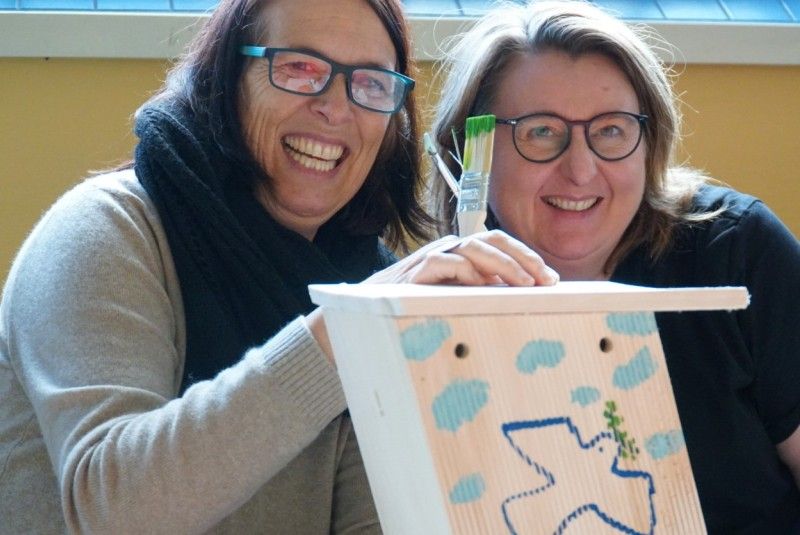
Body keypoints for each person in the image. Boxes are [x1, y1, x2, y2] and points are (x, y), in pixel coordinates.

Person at [0, 0, 558, 532]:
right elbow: (115, 510)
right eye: (299, 68)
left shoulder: (362, 273)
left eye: (371, 84)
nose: (335, 108)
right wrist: (348, 324)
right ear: (227, 80)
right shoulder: (105, 230)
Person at [429, 1, 800, 533]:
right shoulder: (430, 306)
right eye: (541, 132)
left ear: (649, 143)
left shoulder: (737, 252)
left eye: (610, 130)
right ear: (471, 154)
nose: (581, 171)